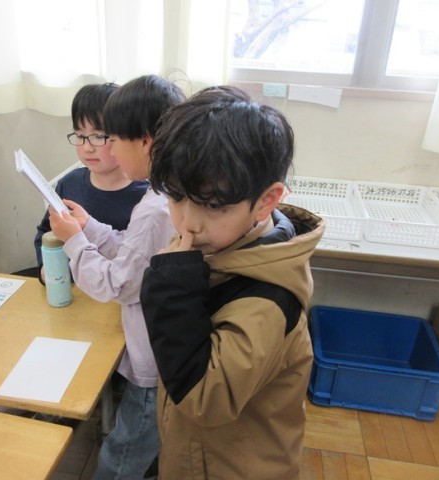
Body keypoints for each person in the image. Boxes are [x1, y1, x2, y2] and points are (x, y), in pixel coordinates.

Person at [139, 86, 326, 479]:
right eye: (176, 197)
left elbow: (204, 397)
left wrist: (169, 292)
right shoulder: (224, 246)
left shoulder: (266, 301)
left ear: (266, 200)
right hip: (198, 455)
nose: (188, 222)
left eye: (213, 206)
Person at [49, 74, 186, 480]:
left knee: (122, 452)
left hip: (153, 357)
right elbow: (133, 250)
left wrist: (75, 241)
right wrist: (90, 228)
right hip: (159, 346)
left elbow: (118, 284)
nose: (103, 148)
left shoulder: (155, 208)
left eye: (111, 139)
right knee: (135, 436)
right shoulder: (165, 193)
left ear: (145, 142)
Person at [34, 83, 148, 283]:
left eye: (99, 136)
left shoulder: (146, 197)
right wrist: (46, 266)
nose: (87, 147)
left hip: (120, 291)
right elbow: (46, 233)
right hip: (71, 289)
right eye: (80, 135)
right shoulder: (69, 184)